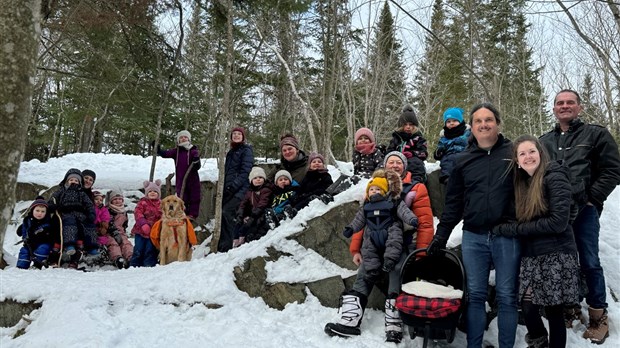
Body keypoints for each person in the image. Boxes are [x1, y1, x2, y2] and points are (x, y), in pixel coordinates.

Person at [427, 103, 520, 348]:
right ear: (472, 126)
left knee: (508, 296)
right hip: (474, 236)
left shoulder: (514, 153)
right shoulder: (462, 160)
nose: (483, 124)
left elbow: (530, 191)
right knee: (475, 296)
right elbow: (454, 203)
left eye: (488, 119)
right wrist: (441, 236)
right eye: (478, 120)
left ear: (497, 123)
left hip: (506, 235)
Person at [325, 151, 434, 343]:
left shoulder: (415, 187)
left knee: (396, 269)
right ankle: (349, 320)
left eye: (398, 162)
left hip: (402, 243)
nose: (394, 165)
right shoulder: (374, 187)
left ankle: (394, 323)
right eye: (390, 162)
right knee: (365, 270)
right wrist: (355, 249)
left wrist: (421, 252)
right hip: (373, 243)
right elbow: (363, 219)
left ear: (404, 166)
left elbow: (424, 222)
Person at [539, 89, 620, 344]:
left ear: (579, 107)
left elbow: (612, 170)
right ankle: (569, 307)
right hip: (556, 212)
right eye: (560, 103)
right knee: (562, 260)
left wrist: (591, 198)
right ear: (554, 108)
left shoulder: (596, 134)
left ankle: (598, 316)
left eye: (570, 102)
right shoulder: (544, 141)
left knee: (589, 260)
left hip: (584, 210)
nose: (565, 106)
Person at [493, 135, 579, 348]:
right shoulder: (523, 184)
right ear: (516, 160)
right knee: (528, 306)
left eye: (531, 151)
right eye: (522, 153)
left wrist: (514, 230)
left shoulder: (554, 176)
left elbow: (558, 222)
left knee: (554, 311)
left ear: (540, 152)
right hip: (532, 255)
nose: (528, 156)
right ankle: (539, 342)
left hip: (555, 254)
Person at [47, 168, 100, 266]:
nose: (73, 182)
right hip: (66, 213)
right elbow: (52, 200)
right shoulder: (62, 191)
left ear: (80, 183)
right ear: (66, 181)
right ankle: (69, 245)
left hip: (79, 213)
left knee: (89, 225)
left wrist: (91, 214)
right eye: (71, 180)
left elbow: (89, 204)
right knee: (70, 223)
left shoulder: (81, 193)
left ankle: (92, 247)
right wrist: (53, 206)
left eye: (76, 180)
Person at [218, 127, 254, 252]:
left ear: (243, 137)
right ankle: (221, 245)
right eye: (234, 134)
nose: (237, 136)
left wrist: (233, 186)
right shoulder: (231, 152)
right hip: (228, 189)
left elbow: (245, 171)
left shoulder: (246, 150)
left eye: (239, 134)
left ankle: (227, 247)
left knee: (227, 213)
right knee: (222, 215)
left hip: (240, 190)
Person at [157, 130, 201, 219]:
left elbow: (197, 166)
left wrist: (196, 161)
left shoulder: (193, 150)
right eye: (181, 137)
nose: (183, 139)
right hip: (181, 179)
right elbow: (165, 154)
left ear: (189, 139)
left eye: (185, 137)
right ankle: (183, 213)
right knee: (182, 197)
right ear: (178, 140)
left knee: (194, 196)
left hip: (193, 178)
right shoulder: (176, 151)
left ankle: (192, 214)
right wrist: (158, 150)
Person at [386, 104, 428, 182]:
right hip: (398, 162)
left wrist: (412, 153)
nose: (408, 127)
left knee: (415, 161)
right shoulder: (396, 139)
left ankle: (416, 182)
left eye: (411, 124)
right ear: (402, 125)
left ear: (414, 126)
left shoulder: (419, 139)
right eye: (405, 124)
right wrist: (396, 155)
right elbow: (389, 152)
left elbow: (424, 153)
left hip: (413, 163)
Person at [233, 167, 273, 247]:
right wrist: (240, 214)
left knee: (249, 227)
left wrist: (252, 216)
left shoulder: (266, 189)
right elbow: (243, 203)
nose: (258, 179)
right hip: (253, 213)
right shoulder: (250, 191)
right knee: (238, 225)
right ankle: (236, 241)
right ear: (251, 180)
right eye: (255, 178)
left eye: (260, 177)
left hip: (262, 213)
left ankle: (243, 241)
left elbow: (263, 204)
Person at [16, 197, 56, 269]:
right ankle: (21, 267)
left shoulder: (48, 222)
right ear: (32, 210)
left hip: (43, 243)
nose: (39, 213)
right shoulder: (27, 220)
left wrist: (46, 233)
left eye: (42, 211)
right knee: (24, 251)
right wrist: (23, 234)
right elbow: (25, 230)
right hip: (29, 243)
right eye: (37, 210)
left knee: (43, 249)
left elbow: (52, 233)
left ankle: (37, 265)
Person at [433, 107, 471, 184]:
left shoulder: (467, 133)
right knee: (446, 160)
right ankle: (447, 177)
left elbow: (467, 142)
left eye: (455, 120)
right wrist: (438, 152)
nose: (451, 123)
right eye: (448, 121)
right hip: (449, 158)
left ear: (460, 121)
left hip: (464, 155)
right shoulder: (444, 137)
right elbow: (439, 149)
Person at [130, 180, 162, 267]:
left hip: (153, 232)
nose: (152, 193)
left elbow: (162, 216)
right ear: (146, 193)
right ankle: (135, 264)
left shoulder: (161, 204)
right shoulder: (142, 202)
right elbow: (138, 213)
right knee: (138, 248)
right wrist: (143, 223)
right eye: (150, 191)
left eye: (155, 191)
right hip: (140, 231)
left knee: (150, 249)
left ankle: (149, 263)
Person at [106, 189, 133, 269]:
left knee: (126, 243)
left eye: (119, 199)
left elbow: (124, 224)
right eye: (115, 199)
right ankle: (117, 258)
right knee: (113, 244)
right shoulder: (108, 211)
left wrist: (123, 232)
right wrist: (114, 232)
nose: (118, 201)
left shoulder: (123, 212)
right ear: (111, 201)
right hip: (109, 233)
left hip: (120, 233)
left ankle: (130, 257)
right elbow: (108, 223)